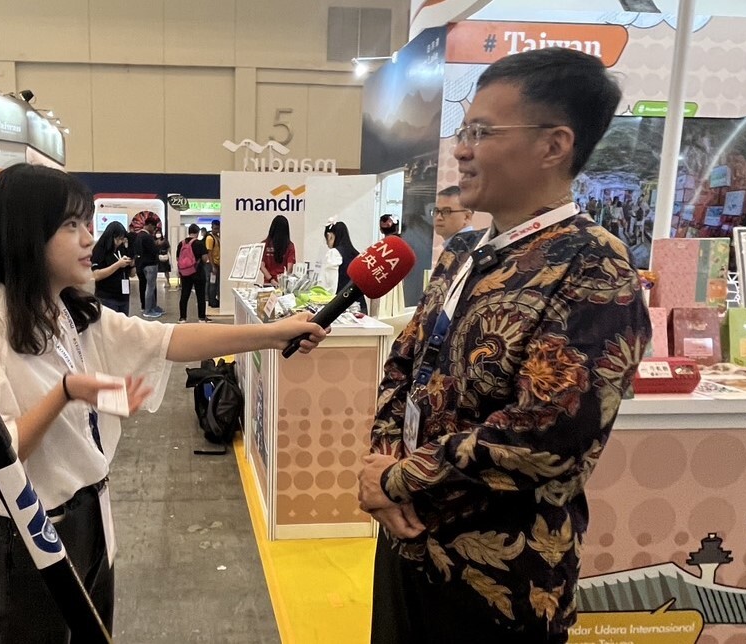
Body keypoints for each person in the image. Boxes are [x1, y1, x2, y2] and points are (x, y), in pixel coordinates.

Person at [0, 164, 326, 643]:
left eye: (88, 223)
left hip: (88, 527)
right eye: (71, 226)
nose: (90, 238)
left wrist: (272, 335)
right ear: (26, 234)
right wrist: (66, 391)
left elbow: (171, 338)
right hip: (28, 542)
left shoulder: (67, 311)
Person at [358, 48, 651, 643]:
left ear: (554, 145)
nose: (461, 149)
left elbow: (548, 433)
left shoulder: (594, 264)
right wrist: (383, 461)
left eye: (481, 132)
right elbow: (405, 364)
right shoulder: (464, 251)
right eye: (464, 131)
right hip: (408, 547)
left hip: (503, 580)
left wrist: (395, 480)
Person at [91, 221, 134, 315]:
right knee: (110, 326)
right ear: (111, 237)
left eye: (122, 239)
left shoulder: (122, 249)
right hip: (107, 297)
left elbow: (132, 274)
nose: (120, 242)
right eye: (118, 239)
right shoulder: (100, 250)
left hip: (123, 296)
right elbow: (96, 275)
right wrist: (118, 264)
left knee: (123, 326)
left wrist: (132, 264)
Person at [322, 221, 367, 311]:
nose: (327, 243)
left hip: (342, 305)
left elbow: (330, 285)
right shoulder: (356, 254)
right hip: (360, 304)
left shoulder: (334, 253)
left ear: (330, 236)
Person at [175, 223, 210, 323]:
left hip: (185, 273)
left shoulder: (181, 243)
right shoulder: (199, 243)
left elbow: (178, 258)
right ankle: (201, 318)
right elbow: (204, 258)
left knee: (184, 295)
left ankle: (182, 318)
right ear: (198, 232)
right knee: (200, 296)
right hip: (198, 272)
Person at [131, 218, 163, 318]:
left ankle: (151, 307)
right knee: (150, 287)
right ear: (149, 225)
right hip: (150, 264)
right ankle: (148, 310)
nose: (154, 230)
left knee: (148, 286)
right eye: (153, 227)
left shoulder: (138, 236)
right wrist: (158, 246)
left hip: (142, 265)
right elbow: (154, 251)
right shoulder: (147, 237)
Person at [259, 214, 295, 286]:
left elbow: (261, 266)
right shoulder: (289, 246)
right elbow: (289, 269)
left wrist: (271, 280)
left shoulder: (264, 244)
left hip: (267, 283)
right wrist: (285, 282)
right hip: (282, 284)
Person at [205, 220, 221, 308]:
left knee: (215, 283)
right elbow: (209, 253)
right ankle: (211, 301)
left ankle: (214, 299)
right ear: (211, 227)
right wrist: (213, 266)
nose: (217, 230)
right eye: (215, 228)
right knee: (212, 283)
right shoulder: (210, 238)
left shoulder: (217, 237)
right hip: (212, 264)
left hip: (217, 263)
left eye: (218, 228)